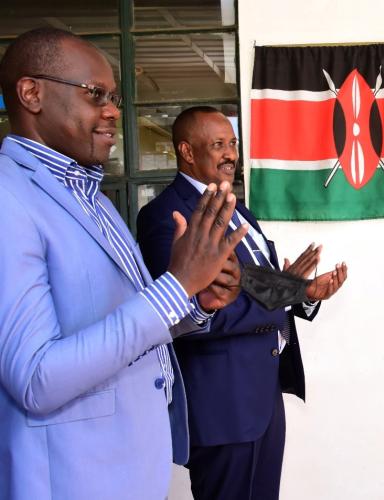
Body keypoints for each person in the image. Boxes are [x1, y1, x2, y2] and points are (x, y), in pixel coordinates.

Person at [0, 29, 249, 499]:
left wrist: (196, 303)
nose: (113, 110)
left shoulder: (93, 197)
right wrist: (176, 288)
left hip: (133, 467)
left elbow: (126, 327)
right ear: (32, 93)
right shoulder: (9, 197)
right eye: (95, 94)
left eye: (112, 96)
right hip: (76, 477)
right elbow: (36, 377)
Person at [137, 106, 347, 500]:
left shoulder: (238, 208)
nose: (230, 154)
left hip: (262, 399)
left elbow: (251, 285)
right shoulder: (166, 216)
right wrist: (287, 294)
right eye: (218, 145)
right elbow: (189, 311)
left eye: (232, 143)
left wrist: (301, 292)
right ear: (186, 151)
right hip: (224, 406)